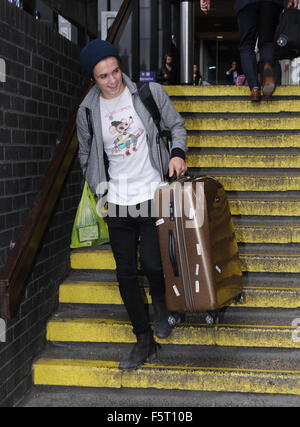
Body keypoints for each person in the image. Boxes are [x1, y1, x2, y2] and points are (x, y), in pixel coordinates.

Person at [77, 40, 187, 370]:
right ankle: (143, 339)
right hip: (118, 203)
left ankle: (161, 306)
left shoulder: (148, 94)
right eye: (102, 77)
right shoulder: (87, 110)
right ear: (92, 79)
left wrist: (178, 154)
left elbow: (177, 125)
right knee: (125, 273)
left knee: (153, 265)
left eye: (115, 71)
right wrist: (99, 187)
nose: (112, 81)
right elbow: (85, 153)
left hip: (152, 194)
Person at [200, 0, 299, 101]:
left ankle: (254, 88)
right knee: (267, 41)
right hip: (271, 2)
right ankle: (267, 65)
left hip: (246, 3)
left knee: (247, 45)